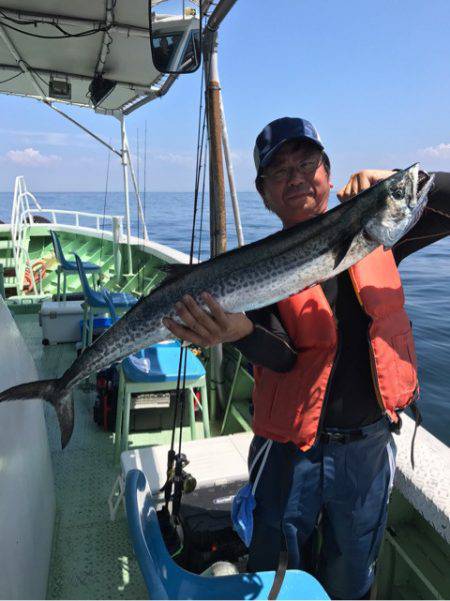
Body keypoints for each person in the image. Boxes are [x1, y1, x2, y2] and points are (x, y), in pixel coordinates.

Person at [162, 117, 450, 599]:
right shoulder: (253, 269)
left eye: (306, 162)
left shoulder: (380, 233)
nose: (296, 176)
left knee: (352, 571)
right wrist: (239, 333)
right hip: (288, 453)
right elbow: (281, 358)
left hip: (366, 449)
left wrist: (393, 178)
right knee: (277, 568)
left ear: (328, 172)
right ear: (264, 193)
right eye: (279, 171)